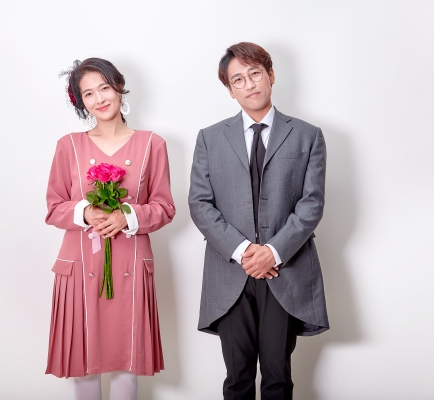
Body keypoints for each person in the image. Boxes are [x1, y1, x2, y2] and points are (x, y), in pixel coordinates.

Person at [188, 42, 329, 400]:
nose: (249, 84)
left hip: (284, 270)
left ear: (271, 75)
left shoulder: (308, 135)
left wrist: (273, 252)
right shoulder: (210, 138)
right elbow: (200, 203)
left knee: (278, 377)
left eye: (255, 73)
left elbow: (311, 204)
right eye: (238, 79)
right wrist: (244, 251)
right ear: (230, 89)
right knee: (237, 378)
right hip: (229, 273)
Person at [45, 58, 175, 400]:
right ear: (80, 102)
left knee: (126, 362)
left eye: (104, 88)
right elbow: (54, 207)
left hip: (130, 262)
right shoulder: (68, 145)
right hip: (79, 265)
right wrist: (85, 211)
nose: (99, 98)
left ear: (119, 87)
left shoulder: (152, 144)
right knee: (83, 363)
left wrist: (127, 215)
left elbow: (164, 207)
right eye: (88, 93)